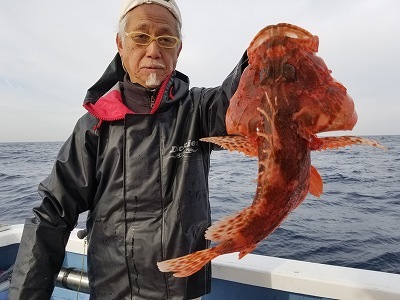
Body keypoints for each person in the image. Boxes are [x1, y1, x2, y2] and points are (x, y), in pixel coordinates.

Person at [9, 0, 248, 299]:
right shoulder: (94, 126)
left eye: (166, 39)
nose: (153, 50)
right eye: (140, 37)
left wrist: (262, 54)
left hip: (182, 288)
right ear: (121, 44)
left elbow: (241, 96)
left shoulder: (200, 110)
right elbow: (51, 215)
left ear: (178, 49)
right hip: (114, 291)